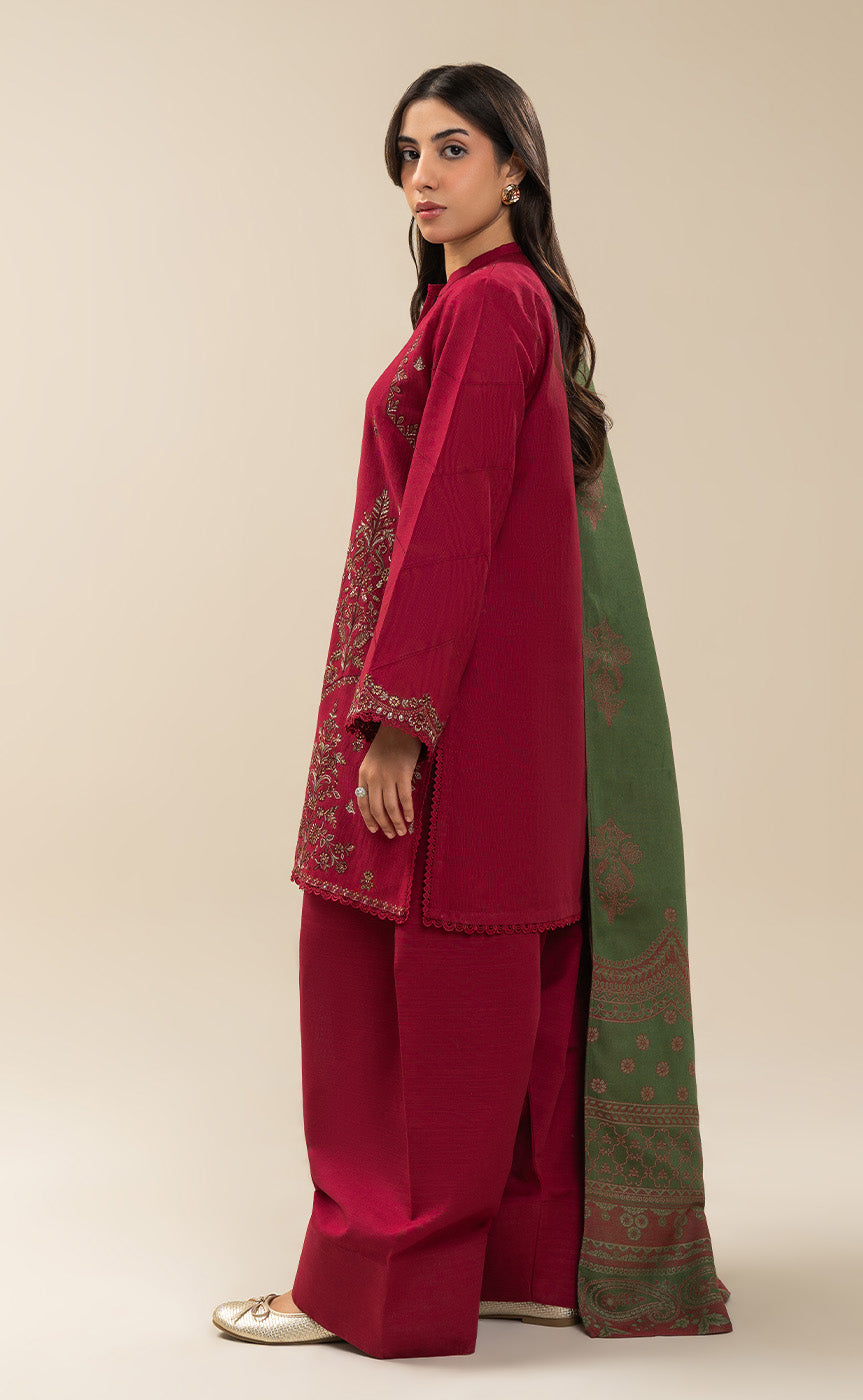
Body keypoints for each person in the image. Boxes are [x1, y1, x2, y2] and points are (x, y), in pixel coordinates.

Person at [212, 62, 732, 1360]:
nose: (422, 177)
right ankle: (524, 1267)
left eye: (452, 148)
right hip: (506, 720)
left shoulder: (492, 305)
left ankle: (375, 1285)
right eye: (407, 154)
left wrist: (397, 719)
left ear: (516, 167)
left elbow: (451, 517)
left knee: (406, 1003)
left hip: (447, 720)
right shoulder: (507, 306)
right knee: (501, 990)